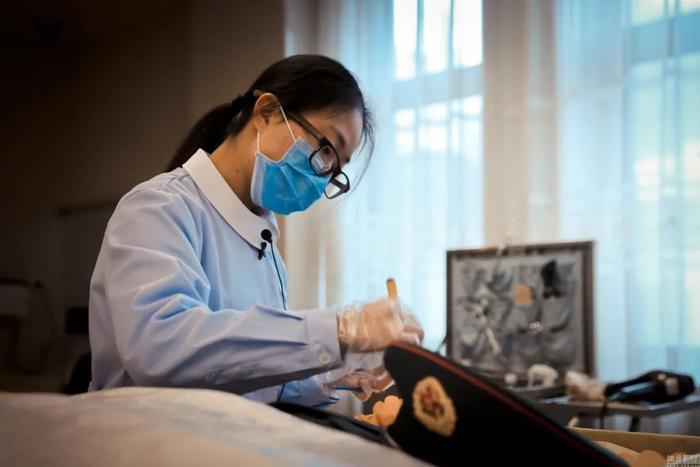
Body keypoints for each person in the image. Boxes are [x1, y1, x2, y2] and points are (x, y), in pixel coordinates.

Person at [88, 54, 424, 406]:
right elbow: (162, 351)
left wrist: (334, 374)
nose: (323, 176)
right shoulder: (158, 207)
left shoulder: (265, 243)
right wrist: (340, 329)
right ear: (267, 112)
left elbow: (240, 370)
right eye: (326, 149)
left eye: (335, 170)